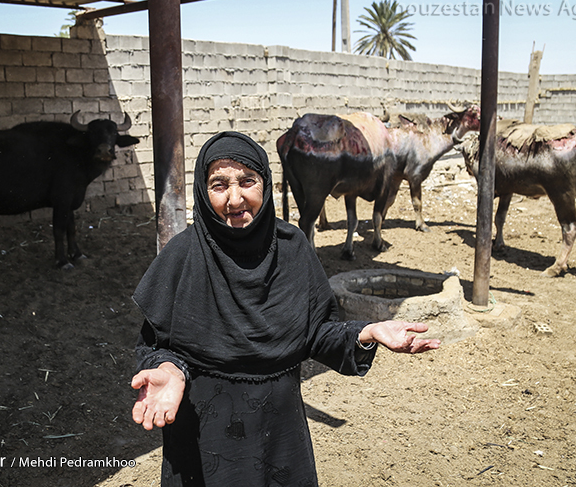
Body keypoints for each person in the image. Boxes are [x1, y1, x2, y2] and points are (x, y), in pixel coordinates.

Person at [131, 131, 440, 486]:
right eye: (219, 185)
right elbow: (153, 346)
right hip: (204, 434)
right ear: (203, 190)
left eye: (248, 181)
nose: (235, 199)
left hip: (278, 434)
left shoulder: (293, 249)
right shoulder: (183, 256)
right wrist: (170, 369)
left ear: (266, 183)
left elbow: (317, 332)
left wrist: (366, 332)